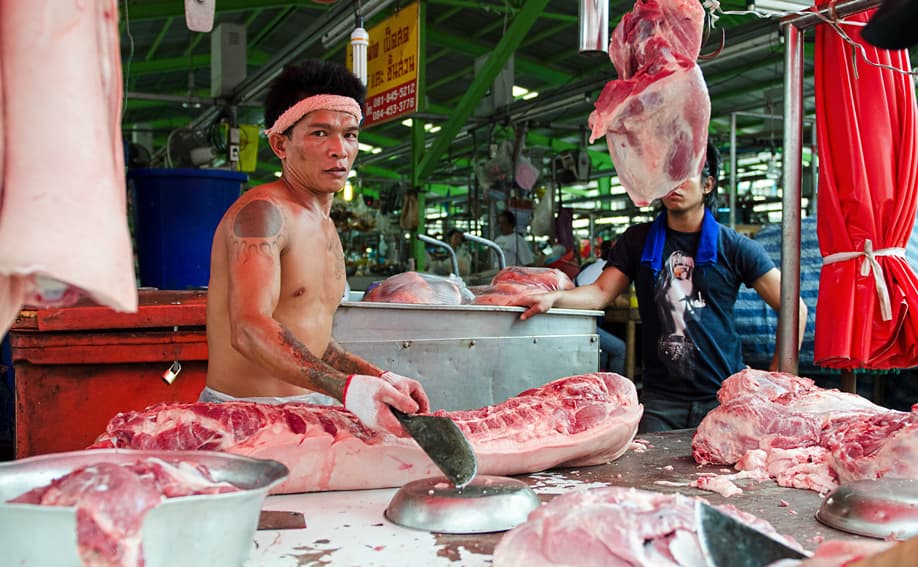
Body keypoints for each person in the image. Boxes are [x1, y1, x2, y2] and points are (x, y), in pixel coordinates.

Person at [202, 59, 430, 437]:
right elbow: (248, 329)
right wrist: (346, 388)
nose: (339, 150)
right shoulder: (262, 215)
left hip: (313, 412)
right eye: (320, 133)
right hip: (245, 422)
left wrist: (381, 378)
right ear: (280, 143)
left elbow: (312, 343)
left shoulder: (324, 224)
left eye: (351, 135)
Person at [512, 142, 807, 432]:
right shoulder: (638, 241)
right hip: (661, 403)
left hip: (723, 398)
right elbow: (600, 293)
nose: (674, 184)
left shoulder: (734, 247)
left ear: (708, 184)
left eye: (685, 175)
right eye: (668, 175)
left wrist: (777, 379)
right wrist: (554, 299)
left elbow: (795, 309)